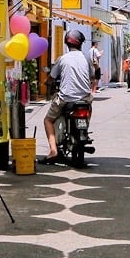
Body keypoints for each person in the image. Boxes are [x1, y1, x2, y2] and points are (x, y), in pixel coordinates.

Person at [41, 30, 92, 164]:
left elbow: (51, 77)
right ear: (81, 43)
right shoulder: (86, 58)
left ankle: (53, 150)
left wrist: (47, 83)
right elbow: (92, 75)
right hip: (85, 98)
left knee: (48, 120)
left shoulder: (62, 59)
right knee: (88, 107)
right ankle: (84, 129)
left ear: (66, 43)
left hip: (66, 98)